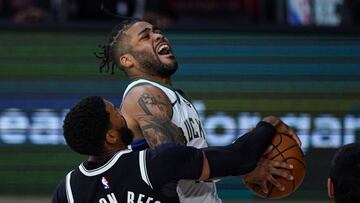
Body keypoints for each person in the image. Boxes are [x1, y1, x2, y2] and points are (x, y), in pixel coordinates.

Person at [95, 18, 302, 202]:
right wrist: (254, 144)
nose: (158, 36)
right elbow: (177, 166)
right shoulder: (143, 95)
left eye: (157, 31)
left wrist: (243, 165)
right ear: (127, 59)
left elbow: (192, 163)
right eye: (145, 36)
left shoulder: (170, 95)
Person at [52, 96, 297, 203]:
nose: (121, 112)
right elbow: (239, 158)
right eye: (114, 111)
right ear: (111, 136)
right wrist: (268, 125)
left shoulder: (68, 190)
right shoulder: (155, 162)